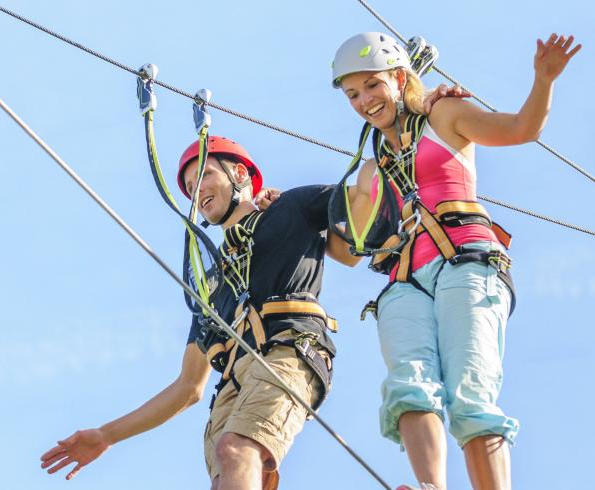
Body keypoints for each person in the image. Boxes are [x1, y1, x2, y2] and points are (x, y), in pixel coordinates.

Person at [327, 31, 581, 490]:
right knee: (408, 386)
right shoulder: (374, 166)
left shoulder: (442, 116)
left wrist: (543, 81)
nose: (364, 100)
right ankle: (431, 487)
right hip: (406, 279)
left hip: (466, 261)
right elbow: (346, 250)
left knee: (470, 393)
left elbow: (522, 128)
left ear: (400, 78)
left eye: (372, 85)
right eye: (353, 94)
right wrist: (271, 209)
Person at [40, 136, 347, 489]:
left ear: (240, 174)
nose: (196, 192)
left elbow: (364, 215)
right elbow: (189, 386)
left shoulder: (287, 211)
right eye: (189, 188)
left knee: (235, 450)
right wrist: (107, 434)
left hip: (286, 352)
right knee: (226, 470)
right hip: (233, 386)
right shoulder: (210, 286)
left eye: (203, 176)